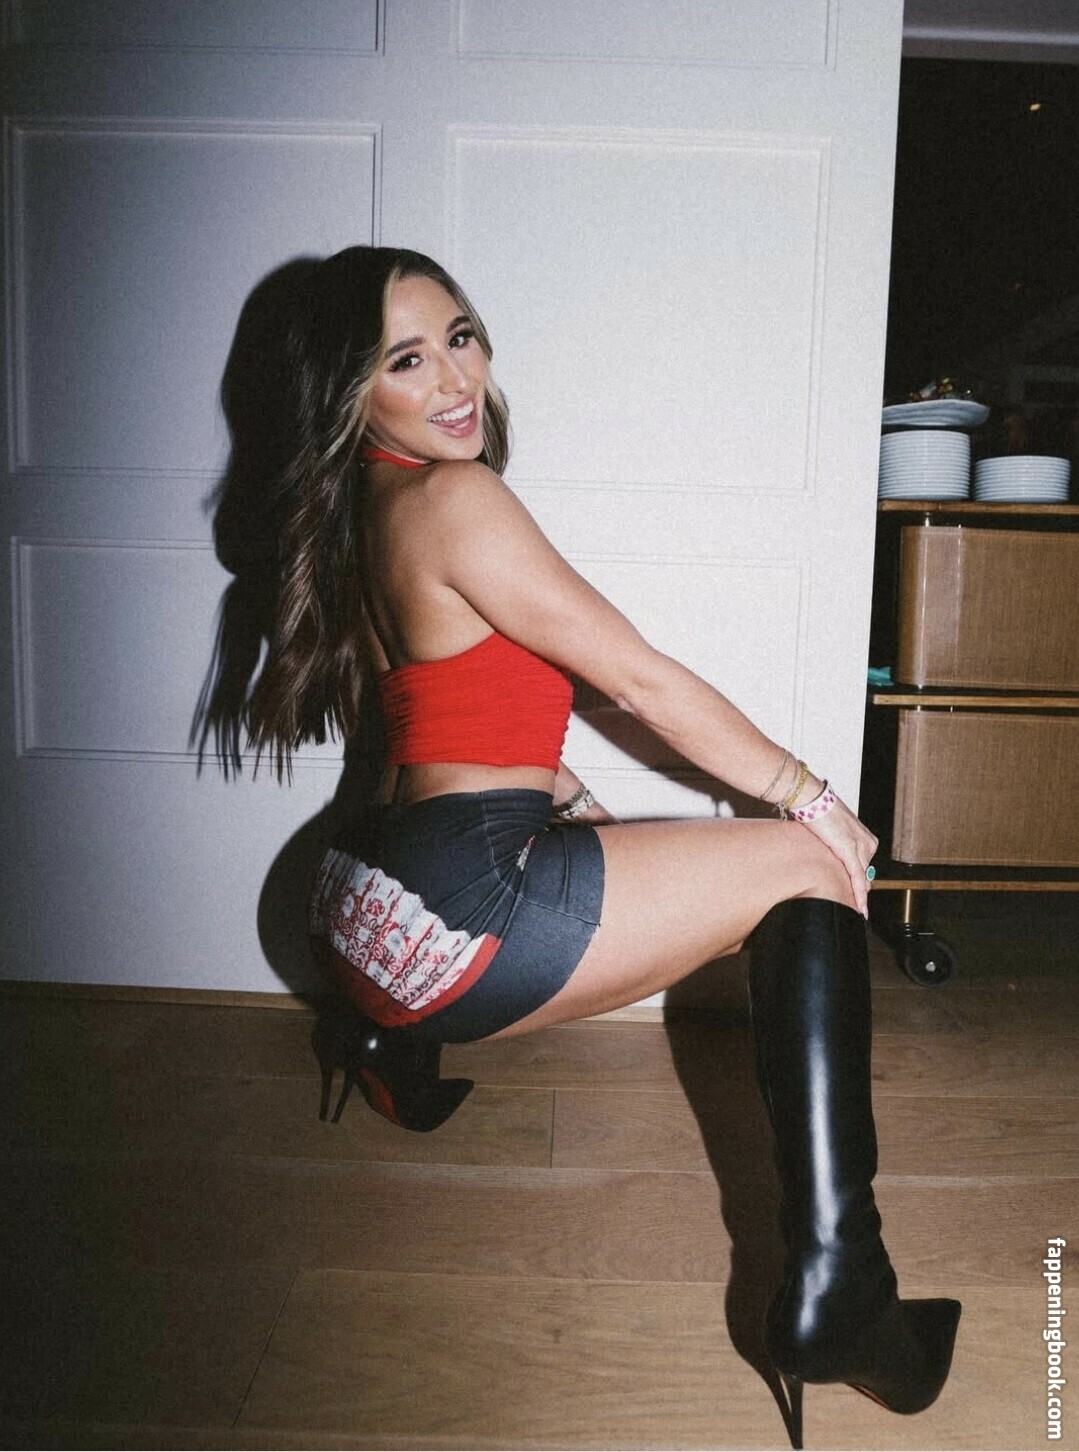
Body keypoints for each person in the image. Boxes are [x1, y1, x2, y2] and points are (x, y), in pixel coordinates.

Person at [244, 245, 960, 1442]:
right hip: (462, 913)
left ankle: (389, 1045)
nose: (454, 379)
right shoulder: (456, 499)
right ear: (350, 392)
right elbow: (635, 679)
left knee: (694, 862)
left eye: (459, 336)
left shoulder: (365, 505)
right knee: (807, 872)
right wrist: (811, 800)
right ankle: (843, 1285)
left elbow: (441, 719)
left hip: (361, 910)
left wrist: (577, 811)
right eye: (405, 361)